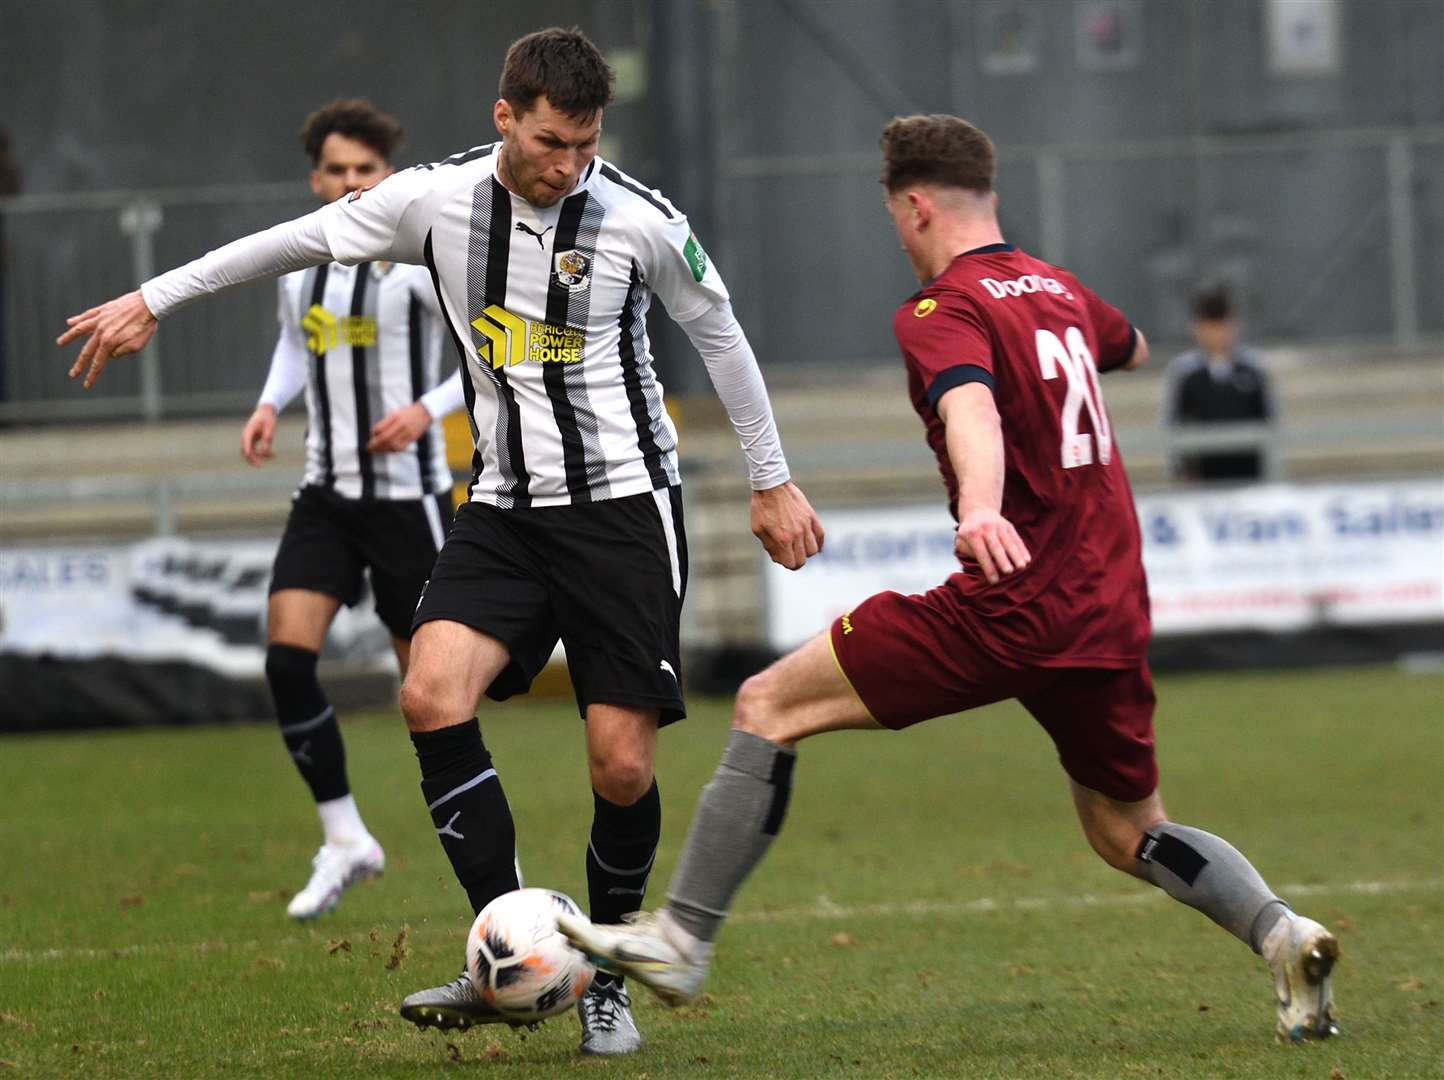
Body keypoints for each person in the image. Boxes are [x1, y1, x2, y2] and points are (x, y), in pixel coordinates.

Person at [57, 27, 823, 1059]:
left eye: (586, 144)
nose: (569, 164)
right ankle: (507, 953)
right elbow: (290, 241)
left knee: (621, 766)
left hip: (621, 514)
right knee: (428, 693)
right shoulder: (432, 198)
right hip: (503, 509)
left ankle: (602, 980)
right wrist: (155, 296)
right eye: (551, 141)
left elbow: (719, 333)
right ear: (503, 116)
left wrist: (771, 480)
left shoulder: (639, 219)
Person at [556, 114, 1340, 1045]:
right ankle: (1284, 935)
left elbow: (972, 407)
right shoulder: (1055, 287)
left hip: (1014, 598)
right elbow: (1125, 346)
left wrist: (980, 506)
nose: (898, 233)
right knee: (1126, 826)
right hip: (1111, 602)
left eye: (895, 216)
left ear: (917, 205)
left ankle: (682, 937)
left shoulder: (942, 310)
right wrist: (1064, 346)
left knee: (769, 704)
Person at [242, 99, 465, 921]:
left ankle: (478, 857)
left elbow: (484, 353)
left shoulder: (421, 260)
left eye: (363, 171)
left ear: (388, 179)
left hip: (410, 500)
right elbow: (296, 347)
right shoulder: (303, 263)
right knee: (286, 659)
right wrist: (270, 404)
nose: (348, 183)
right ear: (316, 178)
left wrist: (425, 411)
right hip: (327, 493)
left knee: (435, 695)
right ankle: (344, 839)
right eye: (335, 170)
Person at [1161, 285, 1277, 482]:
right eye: (1210, 325)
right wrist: (1180, 469)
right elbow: (1172, 423)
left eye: (1222, 324)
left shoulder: (1254, 369)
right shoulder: (1184, 374)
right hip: (1203, 477)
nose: (1217, 333)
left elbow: (1270, 420)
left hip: (1250, 474)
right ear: (1196, 328)